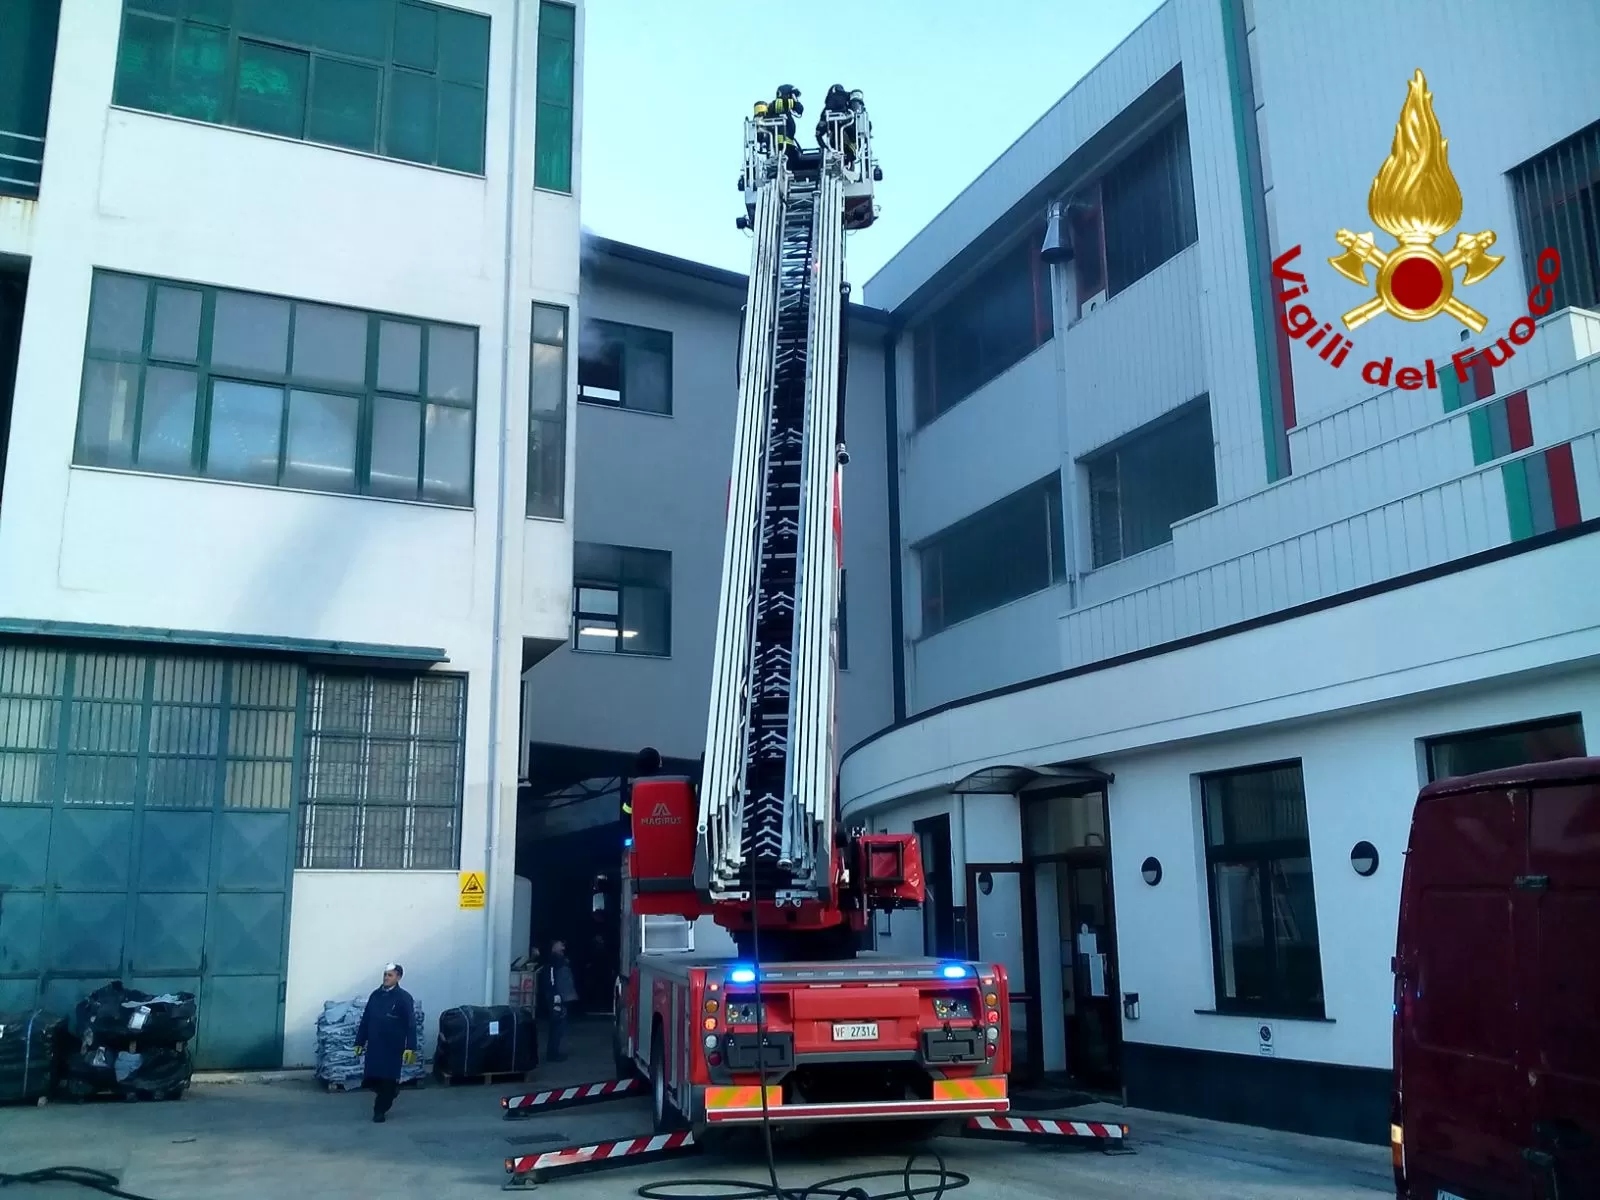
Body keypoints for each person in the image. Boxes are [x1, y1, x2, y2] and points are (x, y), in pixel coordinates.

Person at [354, 962, 417, 1123]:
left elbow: (410, 1023)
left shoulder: (403, 998)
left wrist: (410, 1047)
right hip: (375, 1045)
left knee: (387, 1080)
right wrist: (360, 1041)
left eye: (390, 975)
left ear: (398, 977)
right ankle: (393, 1090)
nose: (386, 978)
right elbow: (366, 1019)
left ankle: (379, 1110)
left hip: (393, 1046)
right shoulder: (376, 995)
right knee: (371, 1079)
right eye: (385, 975)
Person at [537, 939, 579, 1063]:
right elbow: (551, 980)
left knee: (560, 1026)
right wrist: (555, 996)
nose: (563, 948)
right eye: (560, 945)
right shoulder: (553, 962)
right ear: (553, 947)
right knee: (556, 1025)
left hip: (562, 997)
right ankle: (552, 1054)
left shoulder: (561, 961)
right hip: (556, 998)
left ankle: (555, 1052)